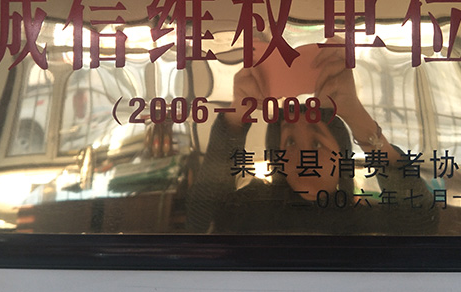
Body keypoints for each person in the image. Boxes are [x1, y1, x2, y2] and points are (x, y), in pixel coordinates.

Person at [187, 44, 439, 235]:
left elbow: (422, 224)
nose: (303, 155)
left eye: (317, 143)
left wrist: (357, 117)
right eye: (289, 142)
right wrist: (235, 117)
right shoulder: (252, 206)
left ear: (341, 158)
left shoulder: (364, 217)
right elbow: (199, 224)